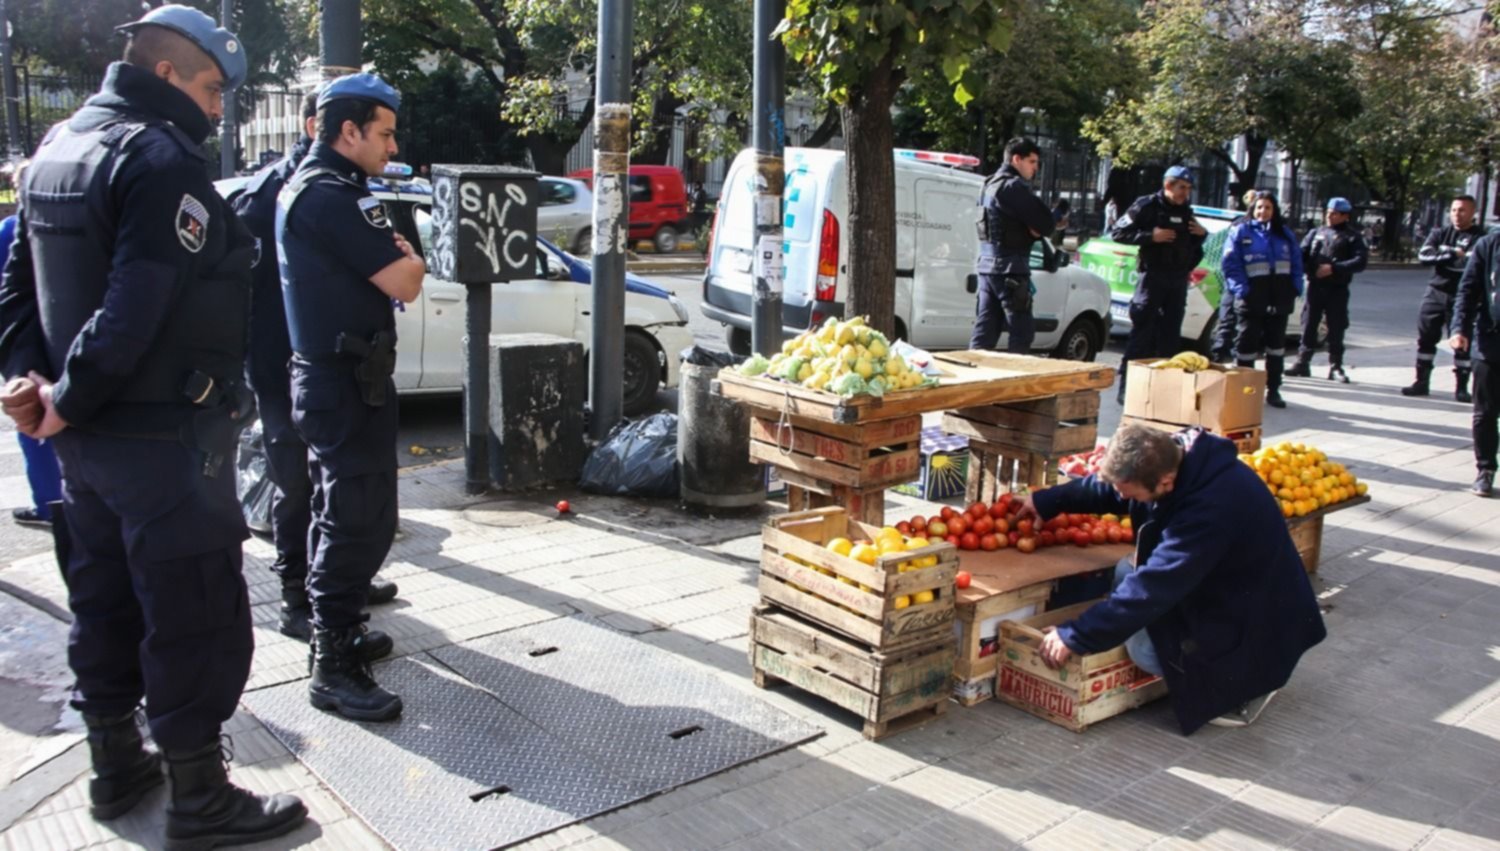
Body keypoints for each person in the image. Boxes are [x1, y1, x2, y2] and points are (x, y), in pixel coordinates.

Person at [0, 6, 306, 845]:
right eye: (211, 89)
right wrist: (70, 390)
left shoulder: (56, 148)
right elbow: (137, 302)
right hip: (163, 439)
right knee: (194, 612)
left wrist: (33, 384)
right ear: (166, 74)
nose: (216, 109)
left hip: (83, 444)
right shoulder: (157, 156)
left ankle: (115, 766)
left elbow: (17, 290)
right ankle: (202, 798)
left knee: (102, 600)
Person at [276, 73, 425, 722]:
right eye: (385, 133)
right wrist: (410, 258)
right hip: (343, 381)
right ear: (349, 130)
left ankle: (337, 628)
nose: (392, 146)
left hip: (338, 377)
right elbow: (406, 279)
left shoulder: (319, 188)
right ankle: (334, 664)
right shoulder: (333, 197)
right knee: (356, 517)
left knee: (345, 509)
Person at [1016, 424, 1326, 733]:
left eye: (1130, 493)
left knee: (1145, 651)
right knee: (1128, 576)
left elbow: (1154, 586)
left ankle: (1252, 682)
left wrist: (1077, 634)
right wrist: (1048, 501)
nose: (1122, 497)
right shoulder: (1173, 462)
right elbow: (1110, 490)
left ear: (1165, 482)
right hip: (1223, 585)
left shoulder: (1212, 507)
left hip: (1257, 613)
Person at [230, 90, 399, 645]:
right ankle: (297, 596)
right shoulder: (278, 193)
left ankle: (341, 584)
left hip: (321, 357)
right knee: (297, 484)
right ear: (322, 127)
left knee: (342, 495)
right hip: (281, 360)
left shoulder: (343, 187)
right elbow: (244, 288)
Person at [1110, 166, 1208, 402]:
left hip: (1176, 282)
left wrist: (1202, 235)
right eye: (1181, 187)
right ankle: (1127, 389)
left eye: (1188, 188)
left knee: (1170, 340)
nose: (1185, 193)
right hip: (1152, 278)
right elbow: (1118, 232)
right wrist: (1150, 237)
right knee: (1141, 335)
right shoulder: (1146, 206)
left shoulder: (1186, 212)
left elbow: (1195, 249)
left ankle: (1162, 392)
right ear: (1168, 185)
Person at [0, 206, 62, 529]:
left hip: (29, 346)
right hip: (63, 340)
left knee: (33, 424)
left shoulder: (9, 230)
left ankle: (49, 505)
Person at [971, 138, 1055, 353]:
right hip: (1010, 269)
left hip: (987, 268)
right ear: (1016, 159)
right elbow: (1046, 224)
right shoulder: (1013, 186)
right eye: (1032, 162)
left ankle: (974, 381)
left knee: (985, 333)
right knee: (1022, 333)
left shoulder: (988, 184)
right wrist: (1034, 229)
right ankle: (1015, 385)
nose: (1035, 168)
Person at [1222, 191, 1303, 409]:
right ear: (1253, 209)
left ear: (1274, 210)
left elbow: (1296, 263)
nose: (1263, 211)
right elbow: (1231, 264)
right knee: (1246, 348)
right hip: (1251, 300)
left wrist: (1295, 288)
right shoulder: (1241, 231)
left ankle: (1273, 390)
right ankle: (1245, 392)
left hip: (1279, 300)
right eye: (1259, 207)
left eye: (1267, 207)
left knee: (1276, 348)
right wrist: (1243, 290)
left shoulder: (1284, 234)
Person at [1401, 196, 1485, 401]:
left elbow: (1475, 262)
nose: (1457, 214)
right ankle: (1421, 381)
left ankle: (1462, 388)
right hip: (1436, 292)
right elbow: (1425, 256)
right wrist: (1451, 255)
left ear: (1473, 212)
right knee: (1426, 337)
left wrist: (1455, 255)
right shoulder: (1440, 233)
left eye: (1463, 210)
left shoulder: (1481, 237)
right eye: (1454, 210)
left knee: (1462, 341)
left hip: (1464, 296)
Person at [1287, 198, 1369, 383]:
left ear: (1345, 216)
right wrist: (1311, 269)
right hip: (1316, 286)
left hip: (1337, 288)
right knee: (1308, 325)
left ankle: (1335, 366)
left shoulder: (1352, 237)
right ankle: (1302, 362)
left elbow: (1360, 262)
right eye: (1328, 212)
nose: (1329, 216)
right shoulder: (1316, 232)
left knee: (1336, 327)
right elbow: (1301, 255)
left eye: (1334, 213)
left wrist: (1334, 268)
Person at [1450, 228, 1500, 496]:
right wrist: (1459, 329)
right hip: (1491, 340)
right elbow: (1468, 290)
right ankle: (1485, 469)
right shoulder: (1490, 244)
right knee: (1485, 412)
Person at [1210, 188, 1261, 364]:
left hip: (1255, 288)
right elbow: (1227, 257)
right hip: (1235, 286)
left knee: (1245, 330)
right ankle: (1218, 361)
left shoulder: (1270, 231)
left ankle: (1239, 365)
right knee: (1227, 324)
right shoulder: (1239, 226)